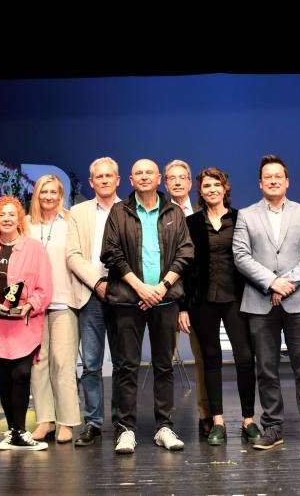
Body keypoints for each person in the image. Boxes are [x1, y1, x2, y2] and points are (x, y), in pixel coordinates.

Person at [232, 155, 300, 451]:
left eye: (279, 176)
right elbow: (241, 256)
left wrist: (286, 284)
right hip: (260, 302)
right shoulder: (247, 215)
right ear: (260, 183)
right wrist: (271, 282)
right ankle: (272, 427)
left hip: (299, 301)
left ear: (287, 181)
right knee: (266, 368)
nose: (274, 180)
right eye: (268, 177)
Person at [101, 159, 194, 454]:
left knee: (163, 366)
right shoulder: (119, 211)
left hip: (165, 300)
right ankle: (125, 430)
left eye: (149, 173)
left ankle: (164, 427)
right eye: (138, 172)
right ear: (131, 179)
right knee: (126, 367)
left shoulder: (174, 212)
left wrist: (162, 287)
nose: (144, 176)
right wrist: (140, 287)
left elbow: (185, 252)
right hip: (129, 300)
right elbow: (111, 253)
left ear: (158, 179)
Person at [0, 195, 52, 451]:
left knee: (22, 373)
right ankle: (15, 432)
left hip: (24, 323)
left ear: (19, 219)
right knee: (4, 377)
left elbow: (44, 288)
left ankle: (20, 429)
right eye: (1, 214)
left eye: (11, 214)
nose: (6, 219)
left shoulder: (35, 249)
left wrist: (28, 305)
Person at [181, 168, 259, 445]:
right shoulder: (190, 223)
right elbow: (185, 267)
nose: (212, 189)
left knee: (245, 359)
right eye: (206, 186)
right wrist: (182, 307)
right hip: (203, 300)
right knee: (211, 360)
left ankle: (249, 419)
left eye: (217, 184)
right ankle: (217, 421)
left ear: (225, 188)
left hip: (238, 298)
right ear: (199, 191)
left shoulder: (241, 219)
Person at [65, 157, 122, 447]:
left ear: (117, 179)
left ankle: (123, 422)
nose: (103, 180)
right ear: (91, 182)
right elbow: (72, 254)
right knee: (90, 364)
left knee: (125, 363)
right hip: (91, 294)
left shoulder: (131, 209)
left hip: (125, 295)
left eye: (108, 176)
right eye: (98, 177)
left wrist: (120, 284)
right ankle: (94, 422)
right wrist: (98, 283)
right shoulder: (78, 212)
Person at [26, 174, 82, 445]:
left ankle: (66, 421)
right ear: (36, 195)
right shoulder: (25, 225)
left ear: (61, 195)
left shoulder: (72, 222)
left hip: (64, 300)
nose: (48, 196)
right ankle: (44, 420)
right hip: (32, 305)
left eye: (53, 192)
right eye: (43, 192)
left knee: (63, 363)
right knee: (39, 363)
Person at [164, 158, 211, 437]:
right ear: (165, 183)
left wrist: (189, 305)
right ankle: (164, 419)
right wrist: (179, 305)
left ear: (191, 182)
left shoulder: (204, 215)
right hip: (167, 298)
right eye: (172, 178)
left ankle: (206, 414)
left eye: (183, 177)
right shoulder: (160, 215)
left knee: (204, 357)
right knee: (163, 360)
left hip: (198, 301)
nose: (178, 182)